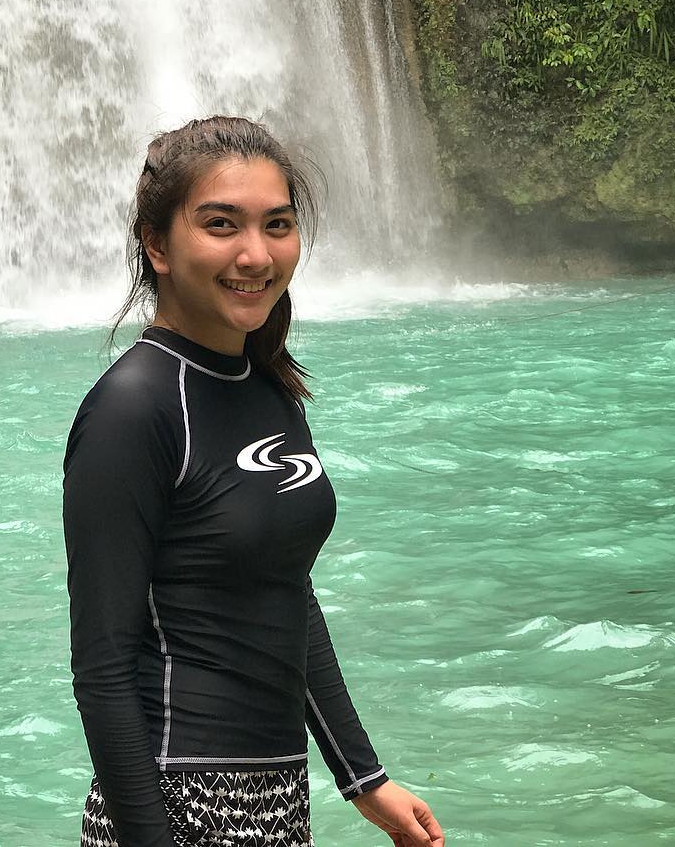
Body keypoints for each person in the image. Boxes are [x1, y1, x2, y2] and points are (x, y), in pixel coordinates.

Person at [63, 116, 444, 847]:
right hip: (175, 803)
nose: (255, 254)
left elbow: (287, 593)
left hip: (274, 797)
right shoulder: (132, 408)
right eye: (220, 224)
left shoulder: (267, 387)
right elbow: (103, 671)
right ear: (156, 244)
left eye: (277, 225)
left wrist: (363, 779)